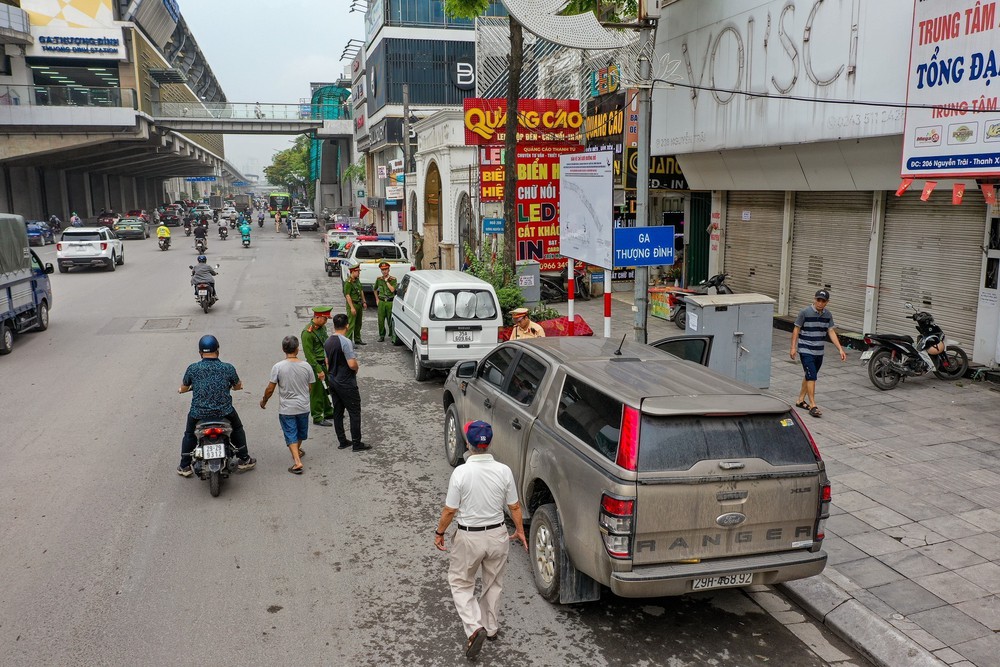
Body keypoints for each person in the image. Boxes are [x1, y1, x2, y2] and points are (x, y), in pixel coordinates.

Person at [434, 420, 527, 660]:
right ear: (490, 443)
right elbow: (514, 506)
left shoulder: (461, 472)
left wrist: (440, 532)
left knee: (461, 582)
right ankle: (492, 627)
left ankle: (474, 627)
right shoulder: (504, 470)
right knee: (493, 582)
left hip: (469, 536)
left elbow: (449, 511)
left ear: (469, 443)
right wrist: (519, 530)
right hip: (497, 535)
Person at [176, 334, 256, 477]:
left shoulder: (193, 368)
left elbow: (183, 387)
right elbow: (237, 385)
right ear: (217, 350)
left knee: (189, 434)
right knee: (237, 428)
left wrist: (183, 390)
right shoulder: (227, 368)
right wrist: (236, 387)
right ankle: (244, 458)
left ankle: (185, 465)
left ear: (200, 352)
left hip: (198, 412)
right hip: (224, 411)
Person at [260, 335, 315, 475]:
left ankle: (297, 461)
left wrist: (264, 400)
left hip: (287, 408)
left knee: (291, 433)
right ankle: (297, 453)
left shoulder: (278, 367)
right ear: (297, 349)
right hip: (303, 406)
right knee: (301, 433)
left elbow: (270, 389)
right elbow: (310, 387)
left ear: (283, 349)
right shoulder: (306, 366)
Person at [790, 289, 847, 418]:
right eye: (818, 300)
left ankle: (800, 400)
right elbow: (796, 329)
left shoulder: (828, 315)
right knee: (812, 376)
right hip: (805, 349)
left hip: (819, 351)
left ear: (827, 302)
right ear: (814, 299)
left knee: (810, 374)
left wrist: (840, 349)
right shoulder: (804, 312)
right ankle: (813, 405)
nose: (820, 303)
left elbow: (831, 331)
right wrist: (793, 347)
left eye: (823, 301)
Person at [323, 313, 371, 452]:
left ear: (334, 326)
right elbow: (351, 364)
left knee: (338, 412)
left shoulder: (328, 341)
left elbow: (327, 363)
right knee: (354, 412)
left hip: (333, 380)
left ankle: (342, 441)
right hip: (346, 382)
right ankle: (357, 443)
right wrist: (356, 368)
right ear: (347, 325)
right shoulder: (346, 342)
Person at [301, 306, 335, 427]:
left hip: (324, 363)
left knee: (327, 389)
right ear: (317, 317)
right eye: (324, 319)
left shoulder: (322, 328)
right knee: (317, 392)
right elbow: (309, 355)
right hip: (315, 366)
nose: (326, 321)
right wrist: (319, 370)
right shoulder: (307, 333)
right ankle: (317, 416)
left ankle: (328, 411)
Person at [374, 262, 397, 342]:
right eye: (382, 270)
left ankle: (391, 334)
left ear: (389, 269)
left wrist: (387, 282)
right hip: (382, 301)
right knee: (380, 320)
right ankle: (382, 335)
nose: (384, 271)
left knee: (390, 319)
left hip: (390, 302)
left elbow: (392, 290)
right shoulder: (379, 279)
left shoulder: (393, 279)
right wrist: (377, 299)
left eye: (386, 269)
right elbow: (375, 289)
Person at [344, 265, 367, 345]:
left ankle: (357, 339)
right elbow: (347, 296)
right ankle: (348, 342)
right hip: (353, 304)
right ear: (353, 272)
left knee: (358, 323)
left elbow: (361, 291)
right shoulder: (348, 282)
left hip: (359, 304)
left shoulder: (357, 280)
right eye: (358, 272)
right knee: (351, 324)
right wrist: (352, 307)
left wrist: (364, 302)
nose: (359, 273)